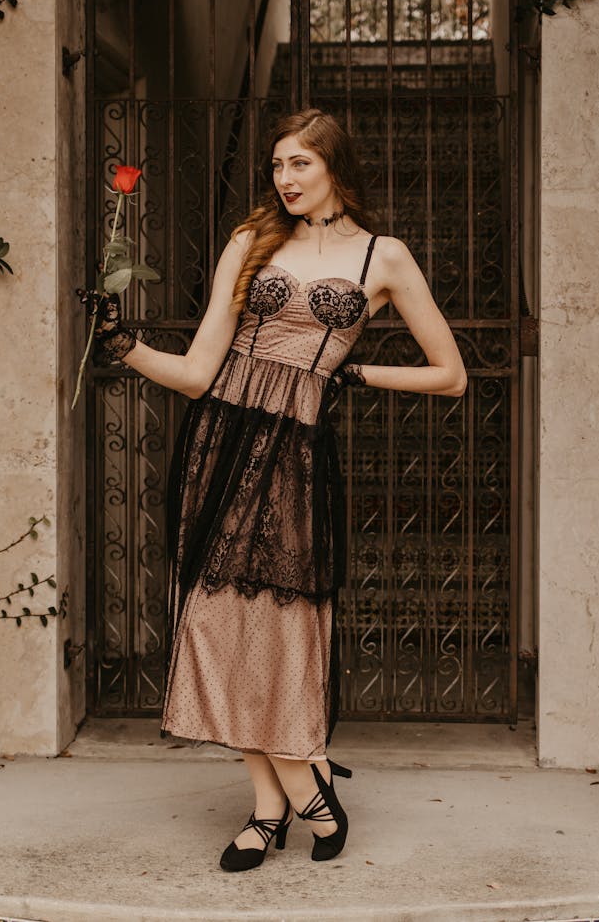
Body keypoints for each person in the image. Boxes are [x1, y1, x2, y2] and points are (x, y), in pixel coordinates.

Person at [80, 108, 467, 872]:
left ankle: (302, 778)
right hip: (220, 445)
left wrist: (352, 372)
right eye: (277, 166)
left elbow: (450, 374)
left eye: (300, 164)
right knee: (216, 625)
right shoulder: (250, 242)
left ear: (334, 167)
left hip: (295, 455)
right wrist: (125, 346)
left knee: (280, 632)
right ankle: (278, 799)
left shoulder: (382, 257)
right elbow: (197, 372)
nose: (285, 179)